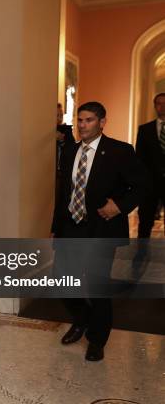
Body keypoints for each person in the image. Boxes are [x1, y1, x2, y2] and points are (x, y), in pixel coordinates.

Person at [51, 102, 148, 361]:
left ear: (102, 122)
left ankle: (97, 340)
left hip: (101, 228)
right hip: (71, 226)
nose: (83, 125)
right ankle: (82, 319)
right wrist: (55, 228)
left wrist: (119, 205)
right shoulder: (70, 151)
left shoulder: (120, 151)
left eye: (89, 120)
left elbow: (141, 186)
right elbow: (63, 193)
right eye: (80, 120)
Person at [136, 93, 165, 239]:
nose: (163, 106)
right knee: (145, 221)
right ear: (155, 106)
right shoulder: (145, 130)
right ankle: (141, 251)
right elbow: (139, 158)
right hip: (150, 185)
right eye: (159, 103)